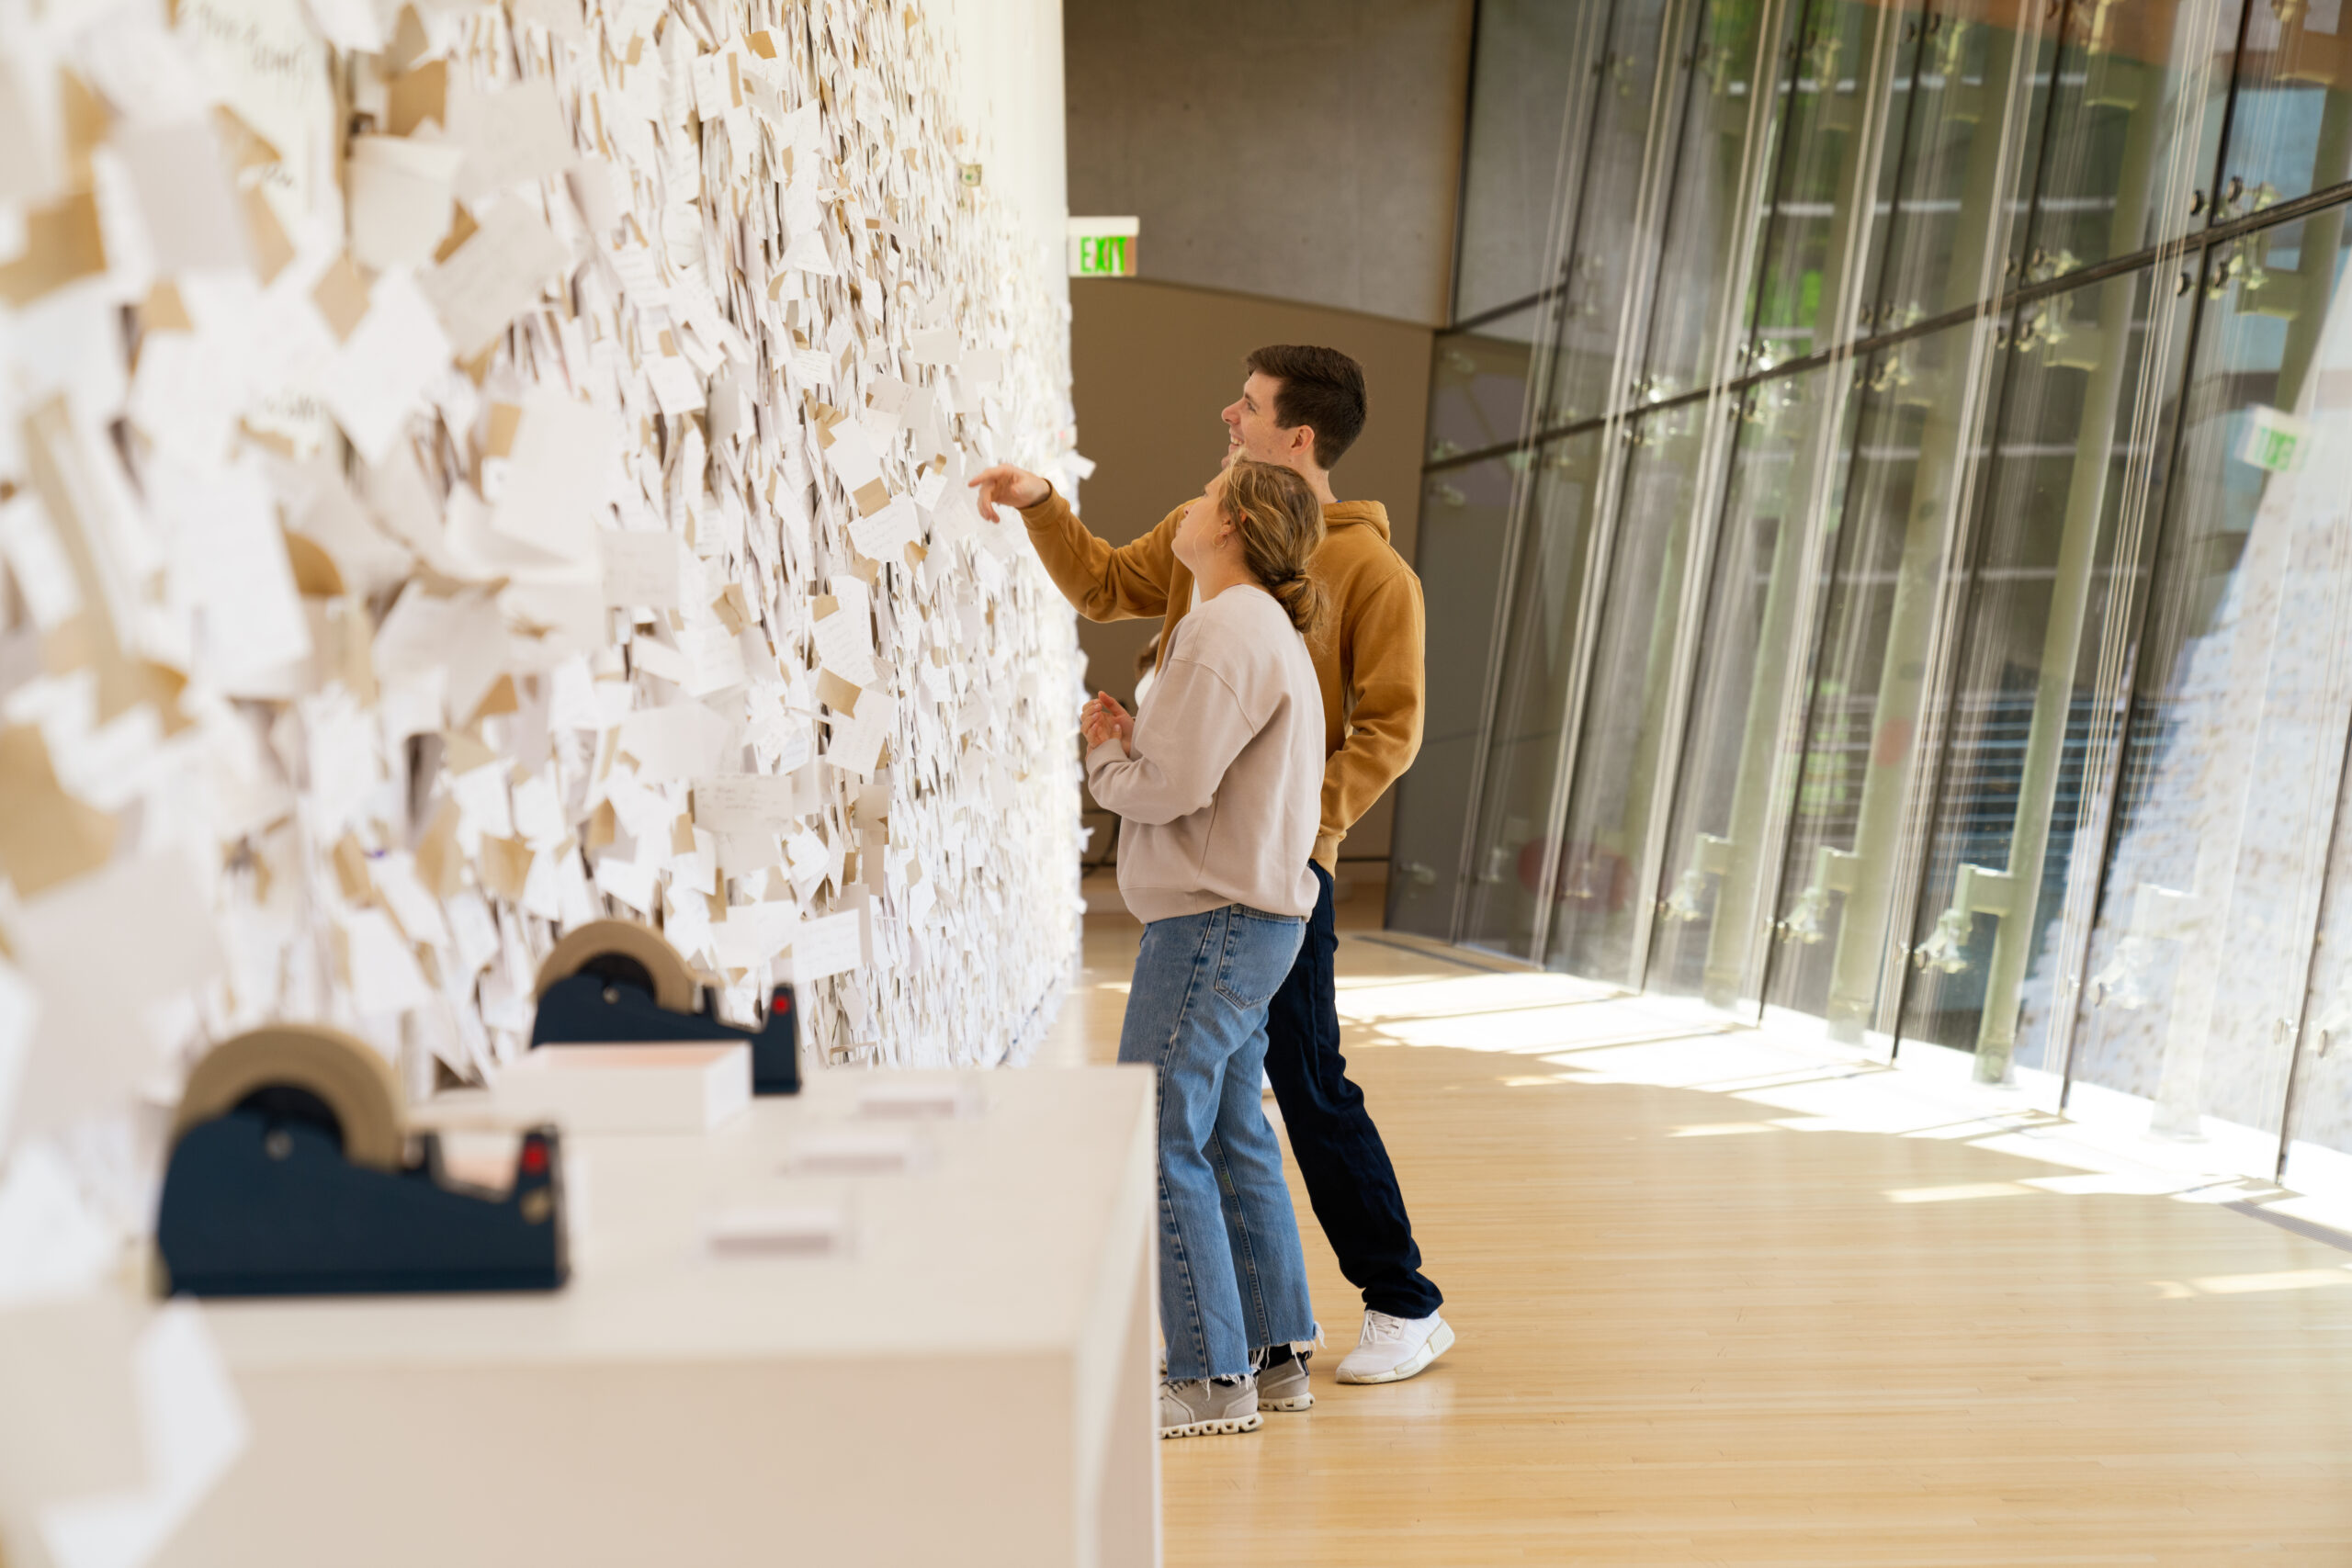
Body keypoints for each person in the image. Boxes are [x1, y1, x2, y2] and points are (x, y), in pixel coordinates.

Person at [973, 344, 1450, 1389]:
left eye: (1248, 405)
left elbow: (1392, 728)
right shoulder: (1216, 554)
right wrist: (1043, 501)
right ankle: (1273, 1346)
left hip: (1278, 868)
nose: (1225, 415)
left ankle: (1399, 1300)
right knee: (1240, 1102)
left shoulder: (1369, 573)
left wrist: (1297, 825)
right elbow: (1103, 583)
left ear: (1299, 436)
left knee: (1303, 1083)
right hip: (1227, 867)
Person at [1080, 460, 1329, 1438]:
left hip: (1208, 919)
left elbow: (1169, 787)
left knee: (1156, 1134)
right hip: (1255, 916)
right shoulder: (1260, 626)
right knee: (1230, 1134)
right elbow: (1200, 767)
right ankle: (1271, 1361)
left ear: (1231, 524)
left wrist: (1104, 754)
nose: (1184, 500)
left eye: (1206, 491)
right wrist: (1140, 739)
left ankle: (1206, 1376)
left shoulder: (1221, 627)